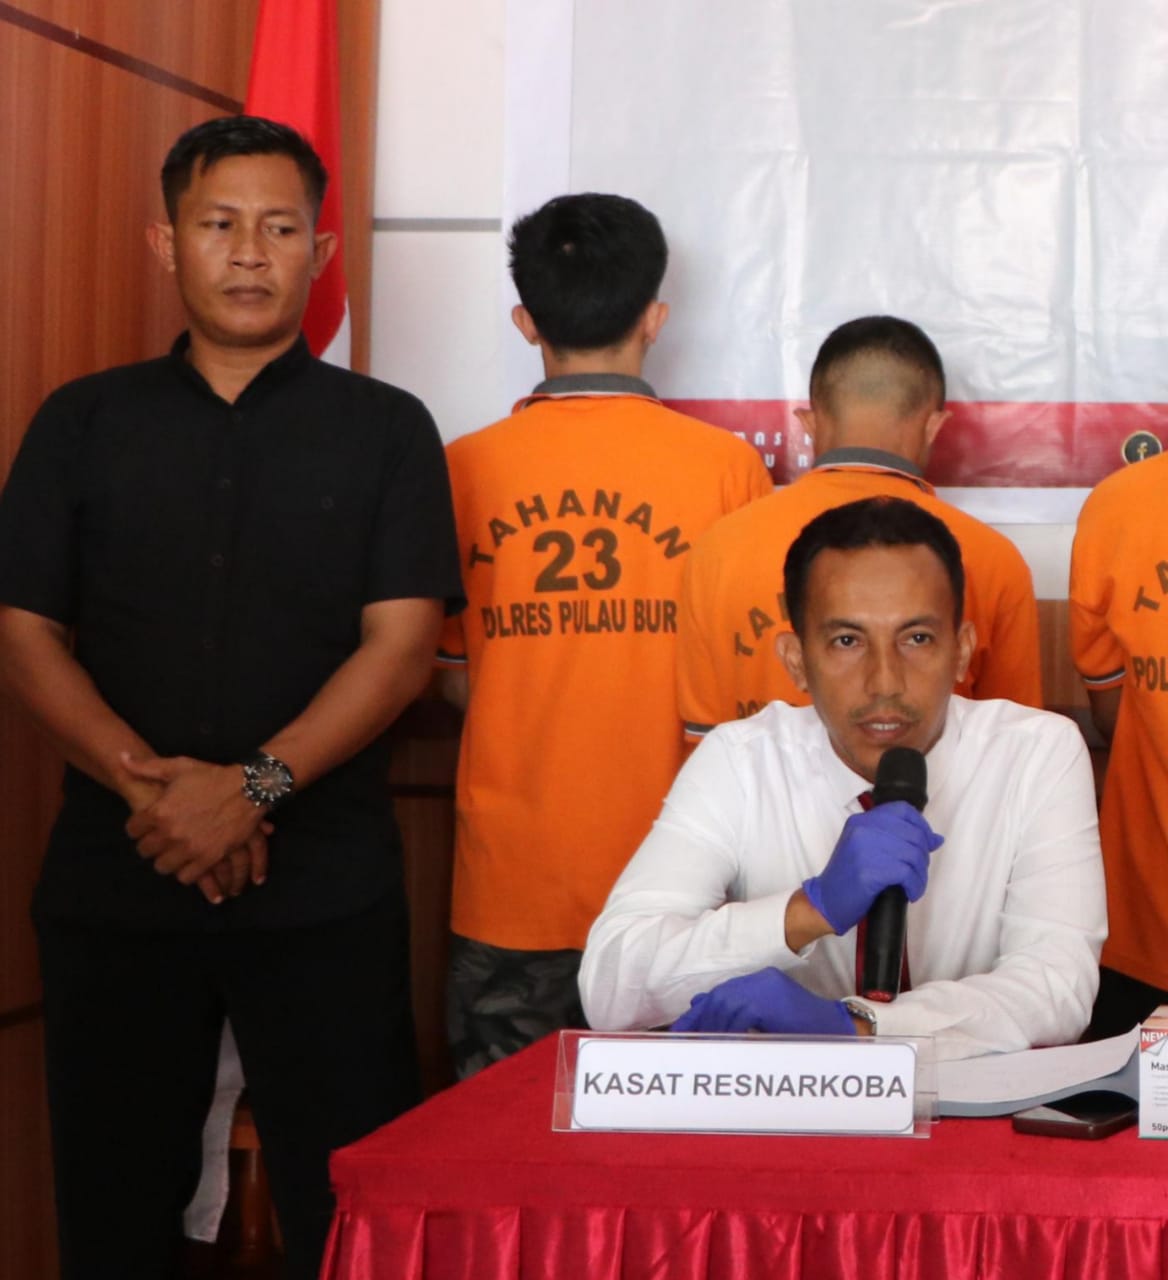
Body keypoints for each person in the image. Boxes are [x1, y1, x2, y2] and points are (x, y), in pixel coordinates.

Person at [0, 116, 463, 1279]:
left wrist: (251, 788)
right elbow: (23, 634)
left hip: (324, 890)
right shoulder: (81, 422)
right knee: (114, 1213)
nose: (249, 251)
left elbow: (403, 645)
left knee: (349, 1214)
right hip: (121, 878)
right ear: (168, 243)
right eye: (218, 224)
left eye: (279, 227)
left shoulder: (387, 430)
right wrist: (159, 796)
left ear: (320, 250)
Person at [436, 193, 773, 1078]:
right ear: (654, 319)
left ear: (525, 321)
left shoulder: (463, 468)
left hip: (509, 887)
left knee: (501, 1145)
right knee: (671, 1150)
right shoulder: (730, 469)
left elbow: (450, 675)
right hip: (684, 889)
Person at [580, 497, 1105, 1061]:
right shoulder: (740, 759)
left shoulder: (1036, 753)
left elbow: (1057, 985)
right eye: (847, 641)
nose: (885, 681)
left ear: (962, 653)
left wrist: (859, 1028)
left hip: (976, 1108)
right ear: (796, 661)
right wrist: (807, 912)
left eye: (917, 638)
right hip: (782, 1106)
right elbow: (610, 989)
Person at [677, 316, 1042, 740]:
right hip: (929, 786)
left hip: (755, 786)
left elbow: (706, 741)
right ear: (934, 426)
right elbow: (1015, 743)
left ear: (809, 423)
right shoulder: (992, 558)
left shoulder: (718, 550)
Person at [1070, 451, 1168, 1037]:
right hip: (1141, 938)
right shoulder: (1120, 503)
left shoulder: (1121, 503)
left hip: (1146, 924)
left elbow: (1110, 710)